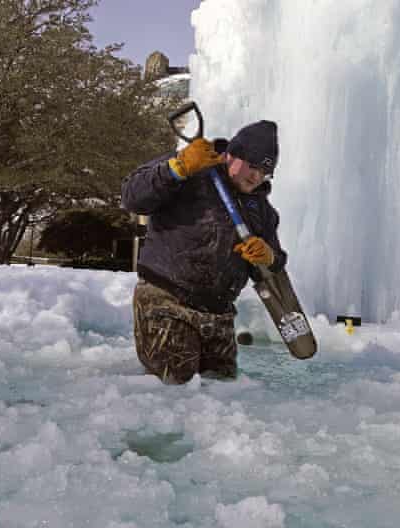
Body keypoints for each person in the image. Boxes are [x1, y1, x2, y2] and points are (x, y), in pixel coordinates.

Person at [121, 120, 287, 384]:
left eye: (265, 172)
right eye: (253, 166)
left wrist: (268, 257)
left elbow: (273, 266)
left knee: (223, 398)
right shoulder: (191, 167)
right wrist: (175, 170)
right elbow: (131, 197)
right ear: (232, 154)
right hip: (167, 303)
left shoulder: (263, 212)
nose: (257, 177)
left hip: (220, 317)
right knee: (174, 390)